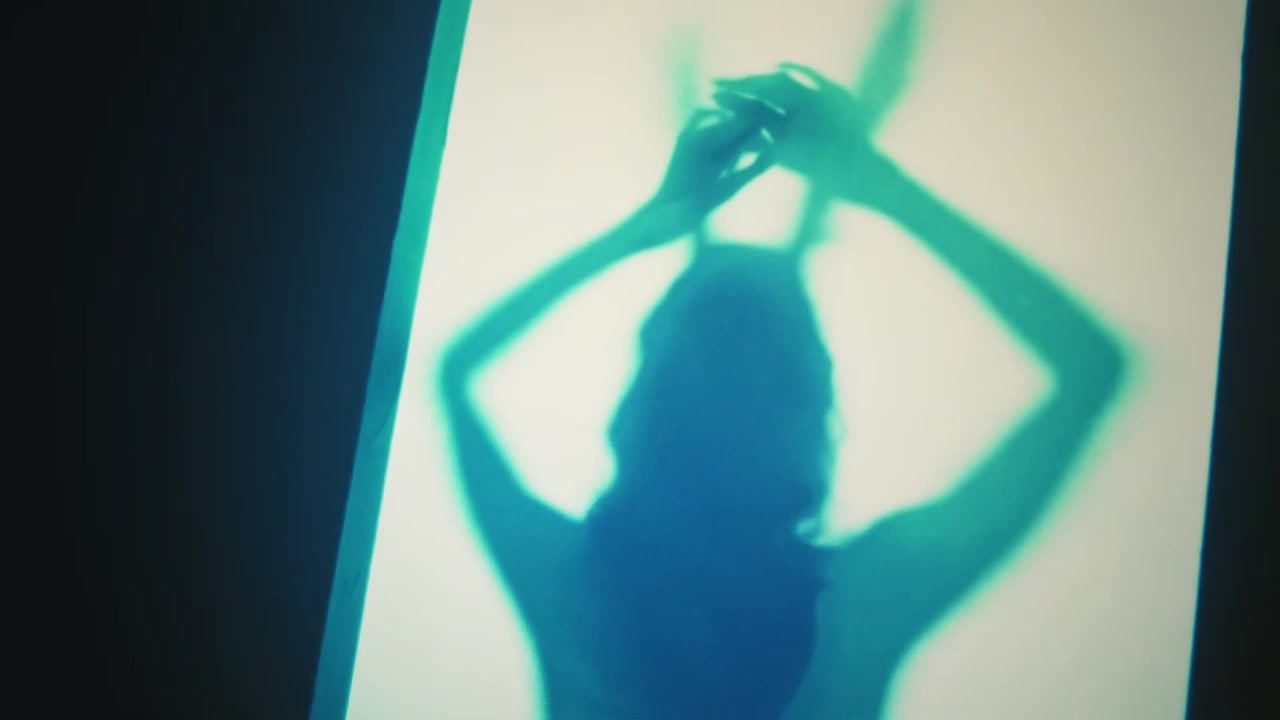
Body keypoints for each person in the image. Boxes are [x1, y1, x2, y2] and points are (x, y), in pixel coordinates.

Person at [437, 63, 1126, 720]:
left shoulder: (573, 591)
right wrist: (879, 184)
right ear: (813, 408)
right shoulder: (861, 604)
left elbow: (458, 372)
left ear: (646, 392)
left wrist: (647, 228)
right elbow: (1089, 370)